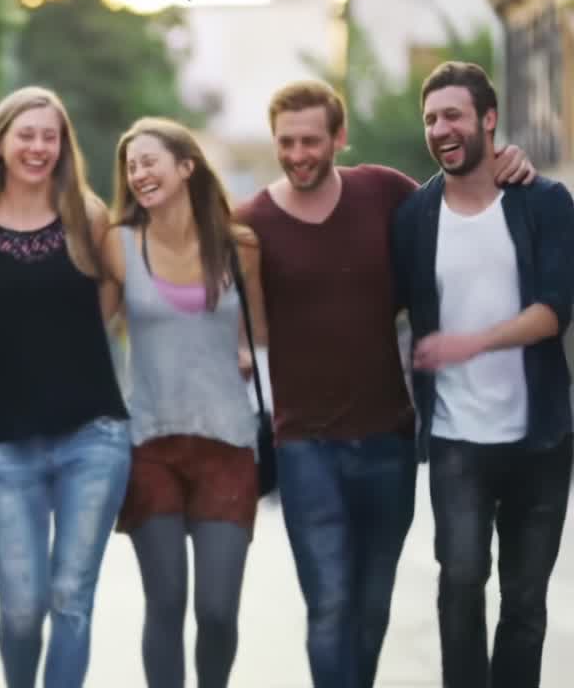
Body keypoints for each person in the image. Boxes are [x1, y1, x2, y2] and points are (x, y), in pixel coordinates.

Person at [236, 80, 534, 688]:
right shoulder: (251, 223)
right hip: (303, 447)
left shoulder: (385, 193)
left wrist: (512, 160)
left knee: (371, 608)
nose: (298, 154)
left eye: (311, 140)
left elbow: (463, 200)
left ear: (339, 138)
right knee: (329, 607)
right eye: (286, 142)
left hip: (387, 442)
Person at [391, 61, 574, 688]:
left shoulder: (543, 202)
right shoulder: (414, 216)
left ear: (488, 120)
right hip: (456, 438)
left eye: (454, 115)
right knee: (461, 585)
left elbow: (554, 311)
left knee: (525, 605)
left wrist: (471, 343)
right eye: (431, 118)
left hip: (541, 440)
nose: (441, 128)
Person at [0, 86, 130, 688]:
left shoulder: (89, 217)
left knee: (72, 598)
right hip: (5, 442)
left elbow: (118, 295)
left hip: (93, 437)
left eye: (51, 136)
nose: (39, 147)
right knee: (22, 611)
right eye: (27, 134)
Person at [102, 118, 266, 688]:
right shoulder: (118, 243)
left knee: (218, 613)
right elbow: (87, 329)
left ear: (186, 166)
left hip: (227, 441)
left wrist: (245, 351)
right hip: (151, 444)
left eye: (150, 161)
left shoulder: (238, 245)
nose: (139, 173)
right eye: (132, 166)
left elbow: (261, 335)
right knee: (166, 604)